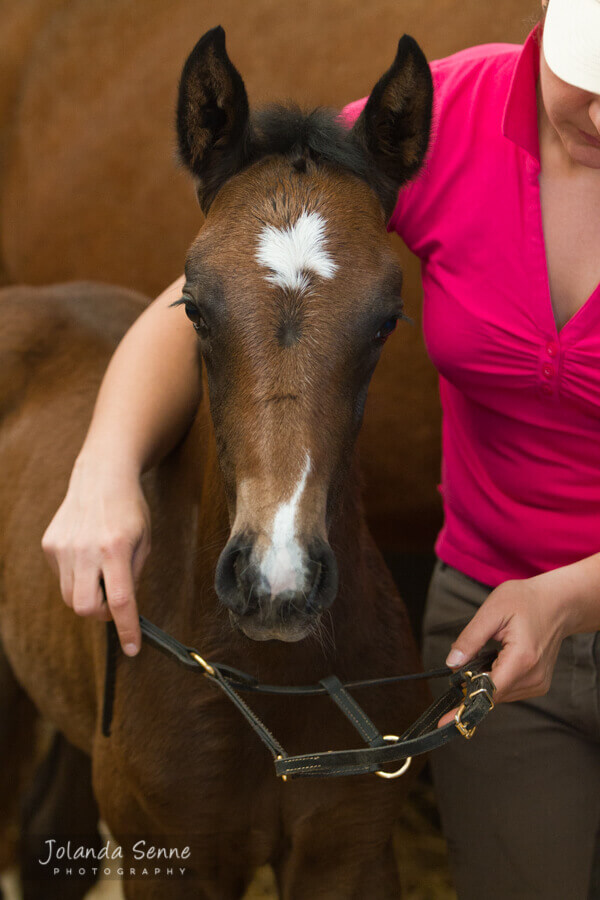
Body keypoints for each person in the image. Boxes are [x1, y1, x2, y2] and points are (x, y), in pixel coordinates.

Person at [42, 0, 600, 895]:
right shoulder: (446, 117)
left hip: (545, 605)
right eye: (589, 75)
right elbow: (242, 268)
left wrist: (571, 598)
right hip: (491, 623)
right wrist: (103, 465)